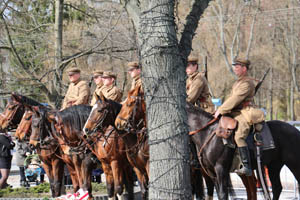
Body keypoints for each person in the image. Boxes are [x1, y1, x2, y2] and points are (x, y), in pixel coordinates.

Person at [214, 58, 265, 176]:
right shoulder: (239, 82)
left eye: (237, 66)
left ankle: (246, 166)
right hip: (236, 111)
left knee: (238, 136)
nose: (235, 68)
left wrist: (221, 110)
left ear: (244, 68)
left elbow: (235, 99)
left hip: (244, 112)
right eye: (234, 66)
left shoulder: (247, 83)